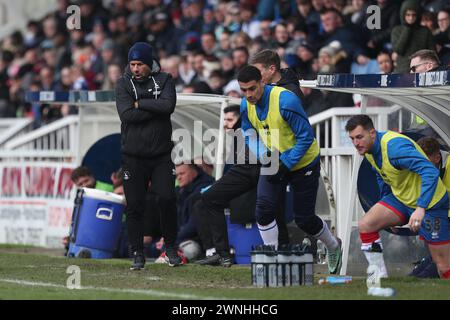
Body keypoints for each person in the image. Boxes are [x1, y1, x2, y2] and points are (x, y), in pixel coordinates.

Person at [237, 65, 342, 274]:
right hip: (275, 160)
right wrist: (266, 156)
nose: (249, 95)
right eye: (244, 90)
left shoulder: (285, 100)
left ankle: (333, 245)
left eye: (252, 89)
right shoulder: (245, 105)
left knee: (304, 219)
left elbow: (306, 138)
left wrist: (286, 163)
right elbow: (248, 133)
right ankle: (272, 262)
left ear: (262, 83)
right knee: (263, 210)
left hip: (303, 162)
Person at [345, 115, 450, 279]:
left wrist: (421, 208)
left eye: (359, 137)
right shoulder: (369, 150)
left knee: (443, 267)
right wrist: (389, 213)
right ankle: (378, 278)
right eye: (352, 139)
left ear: (372, 133)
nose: (356, 143)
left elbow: (430, 171)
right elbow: (383, 176)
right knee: (366, 224)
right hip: (402, 200)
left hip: (431, 205)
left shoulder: (395, 148)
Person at [115, 42, 181, 270]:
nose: (135, 68)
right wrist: (154, 108)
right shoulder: (122, 83)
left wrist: (140, 103)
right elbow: (126, 115)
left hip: (161, 155)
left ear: (149, 63)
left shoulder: (164, 80)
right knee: (134, 206)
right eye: (132, 64)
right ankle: (137, 253)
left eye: (140, 64)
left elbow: (169, 106)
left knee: (167, 198)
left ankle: (171, 248)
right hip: (133, 156)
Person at [409, 136, 450, 278]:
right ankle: (417, 275)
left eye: (424, 162)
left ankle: (420, 277)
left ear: (437, 158)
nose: (420, 166)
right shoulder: (421, 170)